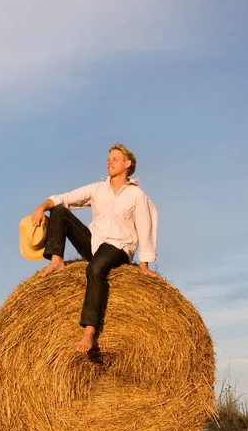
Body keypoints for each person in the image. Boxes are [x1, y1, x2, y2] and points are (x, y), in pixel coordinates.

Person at [31, 143, 159, 353]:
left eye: (115, 159)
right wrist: (41, 207)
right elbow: (65, 197)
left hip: (118, 246)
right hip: (94, 242)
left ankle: (90, 329)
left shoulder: (137, 196)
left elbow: (146, 228)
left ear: (127, 164)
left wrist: (144, 265)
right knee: (60, 211)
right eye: (108, 159)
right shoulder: (98, 189)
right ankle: (56, 259)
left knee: (95, 269)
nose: (109, 162)